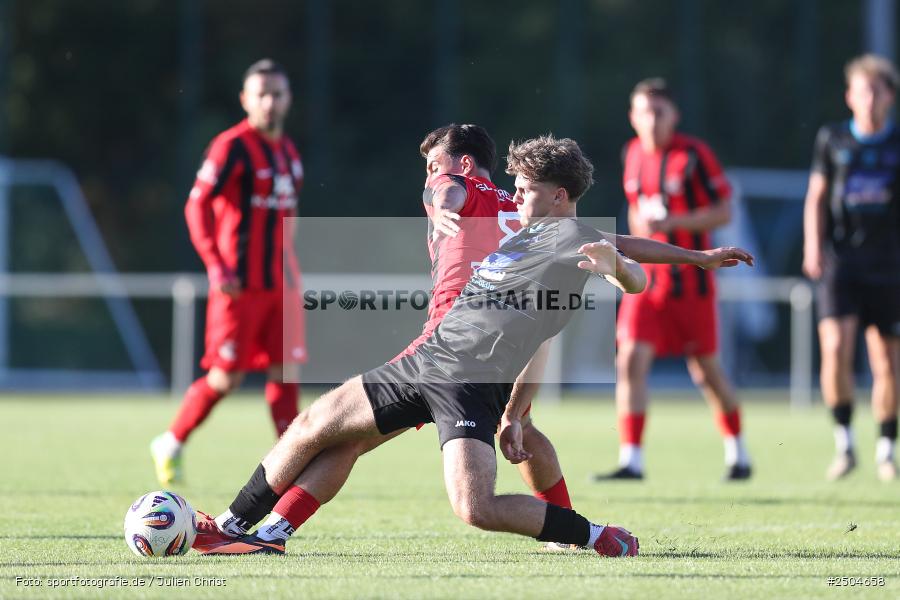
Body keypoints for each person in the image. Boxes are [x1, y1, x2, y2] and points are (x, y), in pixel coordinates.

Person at [191, 134, 752, 557]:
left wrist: (621, 272)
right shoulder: (535, 227)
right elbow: (626, 239)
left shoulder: (571, 238)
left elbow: (631, 272)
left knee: (475, 508)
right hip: (425, 360)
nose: (515, 197)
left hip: (470, 384)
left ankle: (595, 535)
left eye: (527, 190)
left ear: (559, 197)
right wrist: (697, 257)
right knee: (318, 426)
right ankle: (238, 527)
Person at [192, 124, 578, 554]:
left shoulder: (462, 189)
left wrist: (442, 200)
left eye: (434, 166)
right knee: (506, 427)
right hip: (500, 353)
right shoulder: (525, 211)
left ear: (465, 165)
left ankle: (234, 523)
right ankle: (269, 534)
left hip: (446, 352)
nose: (429, 177)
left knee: (323, 427)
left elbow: (445, 192)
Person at [150, 59, 306, 485]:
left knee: (284, 373)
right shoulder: (231, 146)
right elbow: (196, 205)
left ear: (288, 98)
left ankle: (290, 461)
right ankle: (172, 440)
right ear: (245, 99)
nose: (270, 102)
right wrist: (216, 265)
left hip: (282, 284)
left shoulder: (289, 152)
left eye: (278, 93)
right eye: (262, 94)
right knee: (226, 377)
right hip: (239, 286)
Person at [595, 78, 752, 482]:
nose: (651, 120)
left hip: (693, 284)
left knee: (706, 372)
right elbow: (635, 216)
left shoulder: (694, 155)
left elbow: (724, 212)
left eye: (658, 112)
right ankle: (632, 459)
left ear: (673, 115)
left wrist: (675, 222)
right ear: (632, 117)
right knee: (629, 361)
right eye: (643, 112)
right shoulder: (631, 154)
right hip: (648, 284)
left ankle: (738, 454)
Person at [802, 54, 900, 482]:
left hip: (890, 265)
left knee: (886, 362)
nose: (869, 99)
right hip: (841, 262)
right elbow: (817, 195)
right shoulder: (834, 139)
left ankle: (886, 450)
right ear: (850, 97)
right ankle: (845, 444)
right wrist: (812, 245)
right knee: (836, 350)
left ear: (890, 96)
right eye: (862, 91)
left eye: (877, 90)